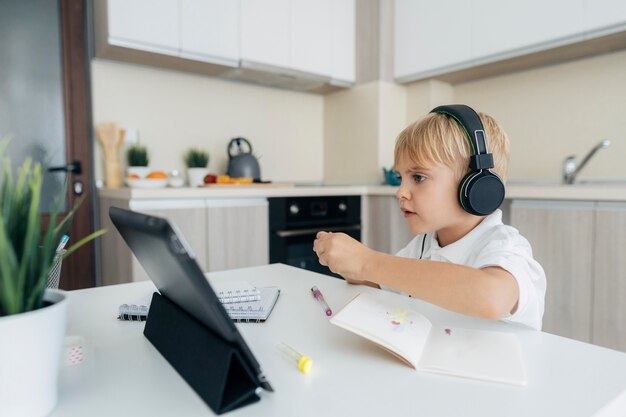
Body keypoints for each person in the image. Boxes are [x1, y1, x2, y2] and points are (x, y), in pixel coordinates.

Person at [313, 104, 546, 330]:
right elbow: (386, 282)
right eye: (400, 177)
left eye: (418, 177)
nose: (400, 192)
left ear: (476, 187)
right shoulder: (425, 244)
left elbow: (492, 297)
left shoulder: (506, 247)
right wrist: (349, 264)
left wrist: (367, 262)